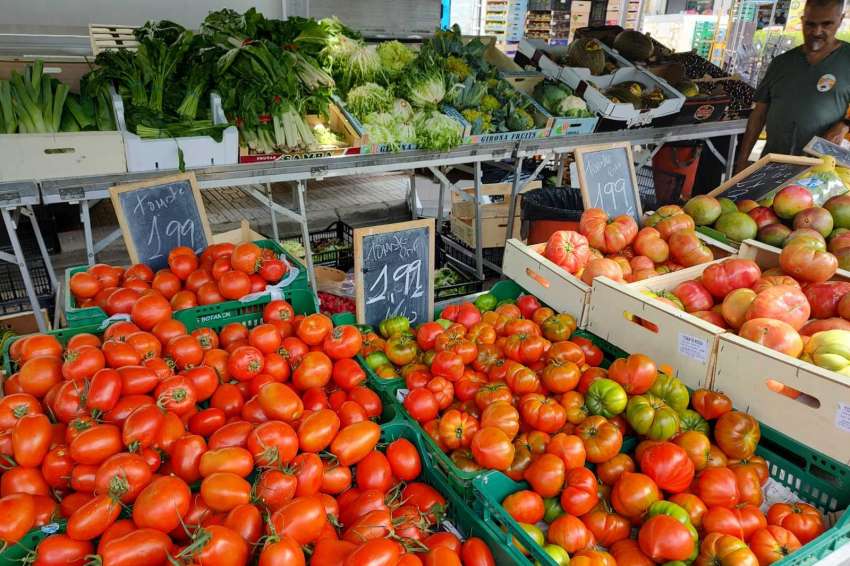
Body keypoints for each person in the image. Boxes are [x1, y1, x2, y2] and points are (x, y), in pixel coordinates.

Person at [735, 0, 850, 173]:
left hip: (820, 172)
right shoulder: (782, 63)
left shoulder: (847, 59)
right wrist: (742, 162)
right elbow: (759, 114)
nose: (817, 32)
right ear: (802, 20)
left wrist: (844, 124)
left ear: (840, 20)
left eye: (827, 24)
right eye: (810, 24)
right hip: (772, 166)